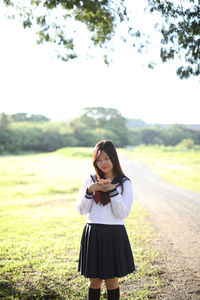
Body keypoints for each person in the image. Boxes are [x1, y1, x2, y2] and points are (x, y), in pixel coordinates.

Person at [76, 140, 135, 300]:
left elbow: (122, 213)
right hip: (93, 232)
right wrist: (89, 191)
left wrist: (113, 191)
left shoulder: (124, 183)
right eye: (99, 159)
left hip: (114, 233)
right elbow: (81, 210)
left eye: (106, 158)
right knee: (94, 281)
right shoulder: (90, 180)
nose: (103, 163)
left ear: (114, 158)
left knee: (111, 281)